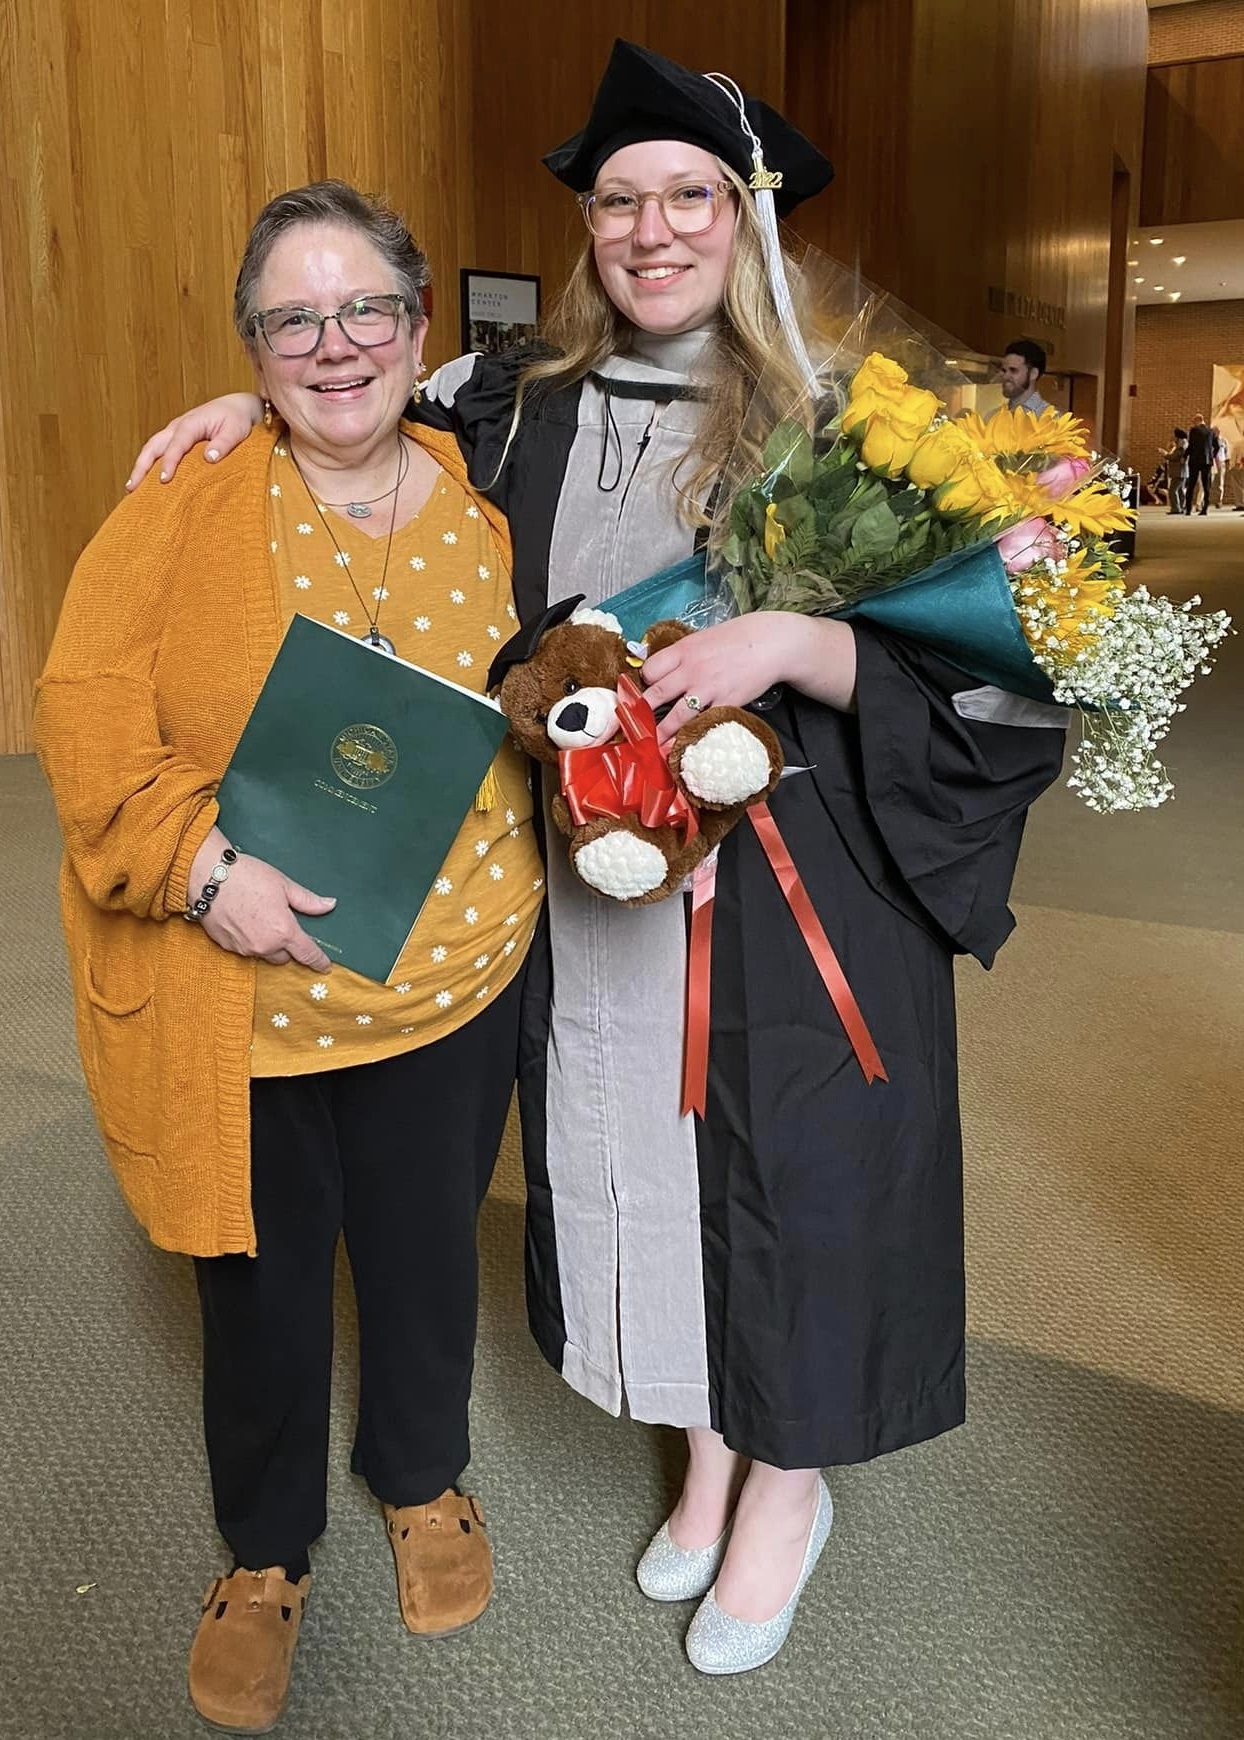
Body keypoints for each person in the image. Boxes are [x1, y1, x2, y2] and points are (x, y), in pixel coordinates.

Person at [128, 41, 1066, 1677]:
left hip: (803, 881)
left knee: (793, 1174)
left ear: (744, 217)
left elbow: (1007, 669)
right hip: (596, 873)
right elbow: (351, 414)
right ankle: (705, 1450)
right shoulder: (514, 403)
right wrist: (246, 404)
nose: (648, 228)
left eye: (686, 196)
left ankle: (785, 1485)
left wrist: (793, 641)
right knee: (652, 1165)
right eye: (617, 199)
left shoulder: (861, 418)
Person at [35, 181, 544, 1733]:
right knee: (256, 1293)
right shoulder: (176, 506)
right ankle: (263, 1552)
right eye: (292, 320)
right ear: (252, 347)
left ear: (419, 327)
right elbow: (86, 722)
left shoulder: (477, 496)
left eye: (366, 310)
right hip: (246, 1003)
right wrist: (197, 874)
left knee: (421, 1254)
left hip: (456, 985)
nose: (336, 346)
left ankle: (423, 1476)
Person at [997, 337, 1052, 416]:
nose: (1005, 376)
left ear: (1033, 374)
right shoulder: (993, 416)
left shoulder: (1050, 418)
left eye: (1013, 370)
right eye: (1004, 370)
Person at [1184, 414, 1215, 515]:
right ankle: (1205, 508)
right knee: (1206, 486)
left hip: (1195, 460)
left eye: (1194, 421)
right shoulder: (1211, 431)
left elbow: (1191, 445)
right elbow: (1217, 446)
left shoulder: (1194, 430)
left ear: (1197, 420)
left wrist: (1184, 456)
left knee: (1191, 484)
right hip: (1207, 461)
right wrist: (1211, 456)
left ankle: (1188, 509)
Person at [1165, 426, 1189, 515]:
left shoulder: (1181, 446)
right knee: (1180, 490)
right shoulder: (1183, 444)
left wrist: (1165, 454)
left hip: (1179, 472)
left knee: (1172, 490)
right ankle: (1182, 507)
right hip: (1182, 472)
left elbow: (1175, 457)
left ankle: (1175, 508)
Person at [1211, 424, 1229, 508]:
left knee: (1220, 482)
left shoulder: (1223, 440)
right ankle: (1207, 500)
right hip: (1212, 463)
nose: (1216, 433)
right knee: (1210, 481)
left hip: (1221, 462)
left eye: (1217, 431)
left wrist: (1223, 460)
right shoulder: (1209, 440)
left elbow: (1226, 452)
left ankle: (1219, 501)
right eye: (1214, 431)